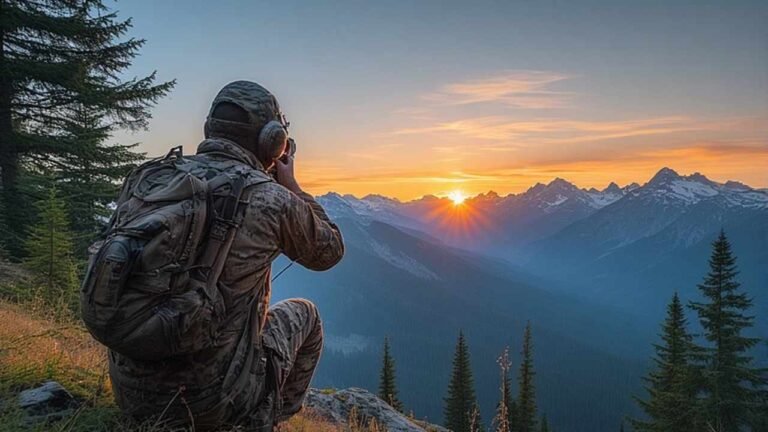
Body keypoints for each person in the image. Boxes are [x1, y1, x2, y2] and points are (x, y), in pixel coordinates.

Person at [107, 80, 345, 431]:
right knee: (306, 315)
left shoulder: (148, 179)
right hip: (212, 406)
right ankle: (262, 419)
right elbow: (330, 251)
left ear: (210, 128)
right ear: (273, 141)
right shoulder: (272, 200)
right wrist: (292, 187)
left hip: (132, 395)